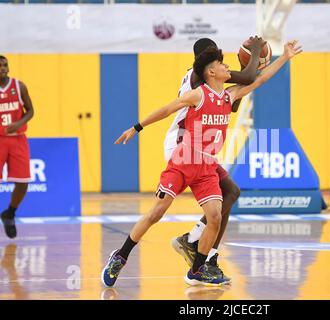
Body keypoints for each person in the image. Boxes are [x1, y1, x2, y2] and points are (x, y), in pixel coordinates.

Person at [101, 40, 302, 287]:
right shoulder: (198, 93)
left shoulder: (228, 95)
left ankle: (197, 269)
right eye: (222, 63)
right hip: (183, 158)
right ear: (210, 71)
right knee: (157, 212)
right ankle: (120, 256)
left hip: (206, 164)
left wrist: (285, 57)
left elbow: (258, 80)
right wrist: (136, 127)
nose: (227, 66)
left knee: (216, 215)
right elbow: (166, 110)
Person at [168, 37, 264, 277]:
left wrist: (246, 73)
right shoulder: (199, 76)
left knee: (229, 193)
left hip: (197, 147)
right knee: (225, 195)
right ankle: (196, 246)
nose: (222, 61)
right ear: (205, 59)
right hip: (184, 146)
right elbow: (251, 77)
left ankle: (203, 251)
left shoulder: (205, 79)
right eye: (216, 56)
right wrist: (253, 55)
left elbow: (231, 105)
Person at [0, 55, 35, 239]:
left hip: (17, 138)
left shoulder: (19, 86)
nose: (3, 68)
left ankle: (10, 213)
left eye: (5, 65)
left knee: (23, 183)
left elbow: (31, 111)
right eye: (0, 66)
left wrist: (19, 122)